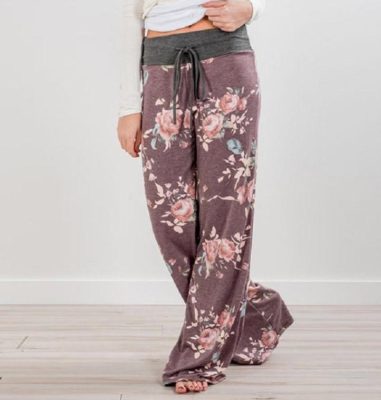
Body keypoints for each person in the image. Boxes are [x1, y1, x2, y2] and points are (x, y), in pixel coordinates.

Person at [117, 0, 294, 394]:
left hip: (227, 61)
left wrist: (252, 8)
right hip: (161, 67)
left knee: (225, 219)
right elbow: (128, 14)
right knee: (170, 218)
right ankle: (257, 308)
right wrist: (129, 106)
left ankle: (198, 358)